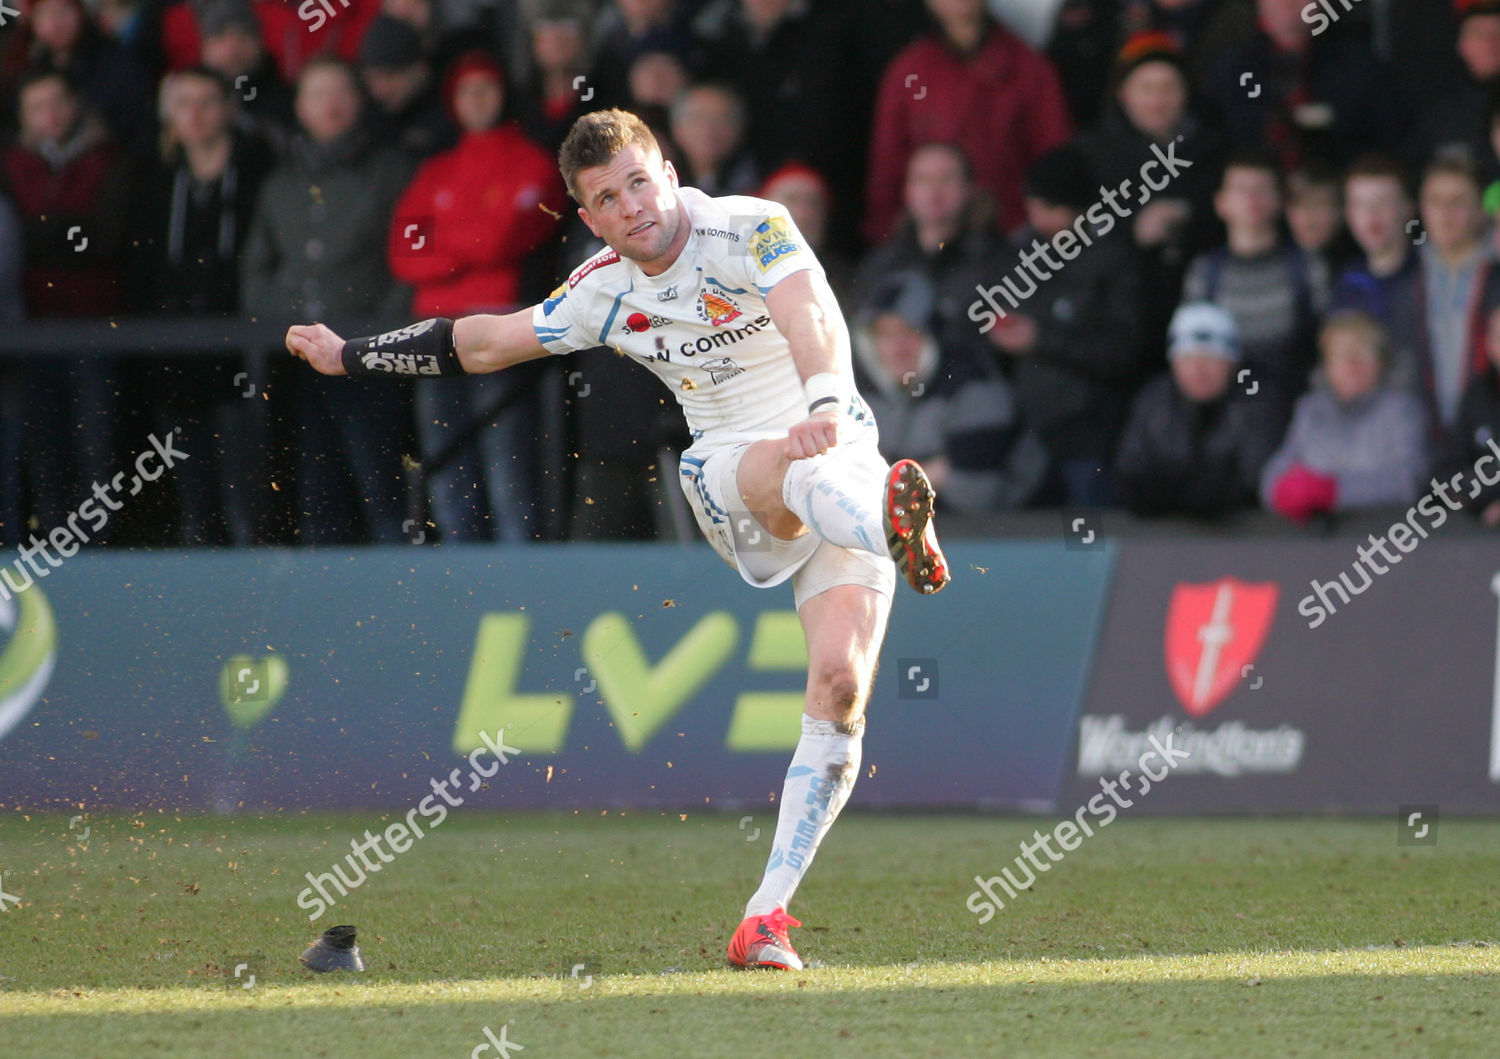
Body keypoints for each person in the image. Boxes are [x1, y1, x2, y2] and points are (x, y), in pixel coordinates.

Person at [286, 107, 951, 970]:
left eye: (640, 180)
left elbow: (809, 315)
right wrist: (352, 354)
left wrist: (824, 401)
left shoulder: (752, 226)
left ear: (668, 172)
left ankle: (765, 918)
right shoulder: (604, 290)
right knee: (783, 467)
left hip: (841, 446)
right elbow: (485, 341)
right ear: (591, 218)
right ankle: (891, 530)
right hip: (729, 469)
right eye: (608, 197)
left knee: (839, 683)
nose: (633, 205)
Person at [387, 51, 566, 541]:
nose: (478, 99)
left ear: (505, 92)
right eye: (467, 90)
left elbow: (508, 236)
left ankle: (517, 572)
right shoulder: (437, 170)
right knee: (443, 454)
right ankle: (458, 573)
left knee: (503, 454)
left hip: (499, 323)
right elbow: (404, 249)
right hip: (433, 333)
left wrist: (446, 244)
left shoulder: (531, 160)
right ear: (453, 100)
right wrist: (469, 248)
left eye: (488, 86)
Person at [243, 55, 416, 544]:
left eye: (341, 92)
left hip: (368, 357)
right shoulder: (281, 181)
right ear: (299, 107)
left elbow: (409, 259)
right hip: (298, 363)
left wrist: (381, 337)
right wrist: (280, 327)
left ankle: (398, 601)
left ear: (359, 101)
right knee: (314, 493)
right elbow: (257, 266)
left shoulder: (390, 169)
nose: (331, 104)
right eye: (318, 94)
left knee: (381, 485)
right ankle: (328, 607)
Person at [129, 66, 273, 545]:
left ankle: (258, 599)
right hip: (173, 357)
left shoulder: (258, 171)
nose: (194, 114)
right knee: (193, 499)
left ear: (228, 109)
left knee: (247, 492)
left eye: (206, 101)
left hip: (241, 354)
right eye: (183, 102)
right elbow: (140, 266)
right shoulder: (155, 177)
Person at [864, 0, 1072, 244]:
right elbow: (888, 162)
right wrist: (885, 236)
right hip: (928, 242)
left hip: (1010, 240)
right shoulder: (908, 71)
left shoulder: (1029, 69)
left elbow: (1053, 157)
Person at [851, 270, 1047, 511]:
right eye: (885, 334)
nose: (897, 347)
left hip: (1018, 537)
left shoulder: (975, 390)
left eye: (909, 332)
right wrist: (933, 473)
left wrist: (890, 483)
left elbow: (974, 499)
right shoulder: (860, 394)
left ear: (933, 337)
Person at [1180, 150, 1327, 409]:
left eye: (1262, 189)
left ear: (1280, 201)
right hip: (1224, 407)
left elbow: (1326, 342)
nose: (1251, 199)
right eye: (1241, 190)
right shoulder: (1204, 272)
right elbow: (1192, 349)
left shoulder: (1308, 267)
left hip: (1292, 400)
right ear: (1221, 203)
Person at [1115, 302, 1286, 518]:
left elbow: (1257, 479)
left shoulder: (1257, 402)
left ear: (1233, 365)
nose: (1198, 370)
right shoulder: (1154, 401)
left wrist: (1198, 491)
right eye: (1188, 359)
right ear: (1174, 364)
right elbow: (1130, 472)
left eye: (1210, 359)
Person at [1261, 310, 1429, 520]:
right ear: (1327, 366)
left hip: (1383, 539)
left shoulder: (1401, 410)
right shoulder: (1311, 410)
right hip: (1315, 543)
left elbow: (1408, 481)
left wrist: (1333, 491)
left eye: (1363, 352)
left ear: (1381, 361)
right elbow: (1273, 475)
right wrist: (1281, 490)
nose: (1352, 363)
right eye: (1341, 354)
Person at [1437, 304, 1500, 526]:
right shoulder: (1477, 395)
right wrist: (1485, 500)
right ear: (1489, 345)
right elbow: (1446, 475)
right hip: (1481, 534)